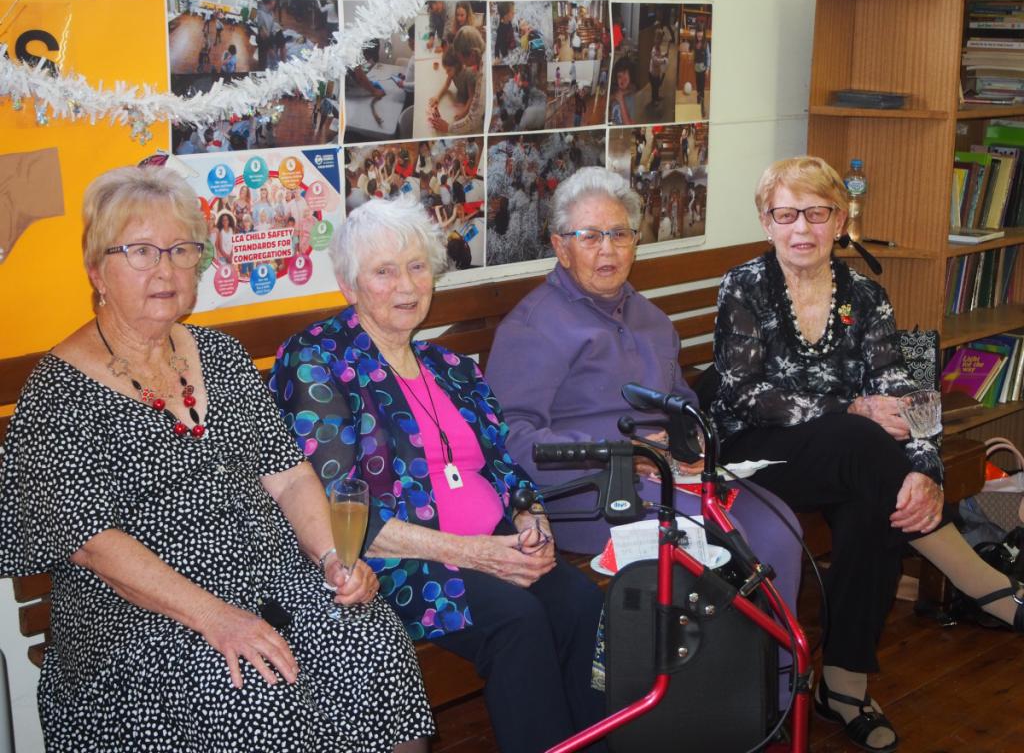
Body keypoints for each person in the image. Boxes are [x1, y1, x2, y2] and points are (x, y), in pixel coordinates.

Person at [0, 166, 433, 752]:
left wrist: (333, 556)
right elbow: (93, 543)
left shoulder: (220, 356)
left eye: (181, 250)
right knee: (256, 692)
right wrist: (217, 619)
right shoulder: (58, 392)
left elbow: (288, 475)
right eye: (141, 251)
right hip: (146, 618)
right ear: (97, 269)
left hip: (273, 581)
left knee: (372, 642)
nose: (166, 268)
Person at [270, 196, 605, 753]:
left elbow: (502, 463)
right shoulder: (316, 359)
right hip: (396, 563)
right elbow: (340, 503)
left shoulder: (451, 367)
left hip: (492, 546)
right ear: (350, 285)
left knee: (581, 605)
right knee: (517, 621)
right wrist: (474, 553)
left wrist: (532, 520)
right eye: (384, 271)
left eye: (417, 266)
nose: (406, 284)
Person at [713, 156, 1024, 753]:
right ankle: (984, 584)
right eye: (785, 214)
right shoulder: (744, 285)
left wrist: (926, 475)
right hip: (759, 450)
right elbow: (744, 394)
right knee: (861, 438)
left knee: (875, 507)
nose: (801, 228)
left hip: (851, 461)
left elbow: (907, 396)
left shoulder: (866, 296)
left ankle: (844, 685)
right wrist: (851, 408)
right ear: (765, 222)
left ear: (841, 221)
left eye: (817, 213)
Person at [486, 166, 803, 627]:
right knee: (720, 539)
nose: (608, 249)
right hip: (589, 492)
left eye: (619, 234)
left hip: (670, 480)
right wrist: (624, 453)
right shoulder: (532, 327)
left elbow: (681, 400)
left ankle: (772, 687)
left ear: (636, 241)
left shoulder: (649, 318)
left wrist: (689, 441)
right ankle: (703, 690)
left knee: (780, 522)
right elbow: (510, 438)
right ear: (561, 247)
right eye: (590, 237)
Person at [609, 56, 636, 125]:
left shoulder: (633, 99)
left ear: (630, 73)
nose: (622, 78)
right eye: (619, 76)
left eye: (624, 73)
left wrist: (621, 100)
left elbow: (629, 126)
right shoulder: (616, 91)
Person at [693, 26, 710, 116]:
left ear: (703, 34)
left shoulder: (705, 44)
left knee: (702, 89)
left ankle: (702, 108)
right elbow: (694, 54)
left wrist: (707, 68)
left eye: (701, 32)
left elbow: (708, 56)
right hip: (696, 70)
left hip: (703, 70)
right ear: (696, 33)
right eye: (698, 32)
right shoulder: (695, 43)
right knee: (698, 88)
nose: (699, 34)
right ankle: (698, 103)